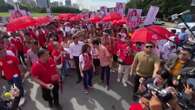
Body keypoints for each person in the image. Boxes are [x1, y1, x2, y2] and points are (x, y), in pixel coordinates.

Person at [0, 38, 25, 110]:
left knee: (16, 87)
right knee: (15, 87)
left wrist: (22, 72)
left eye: (3, 52)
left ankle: (20, 98)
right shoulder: (0, 61)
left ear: (5, 51)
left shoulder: (12, 57)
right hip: (8, 77)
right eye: (0, 53)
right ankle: (19, 98)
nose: (2, 54)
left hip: (16, 75)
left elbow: (19, 65)